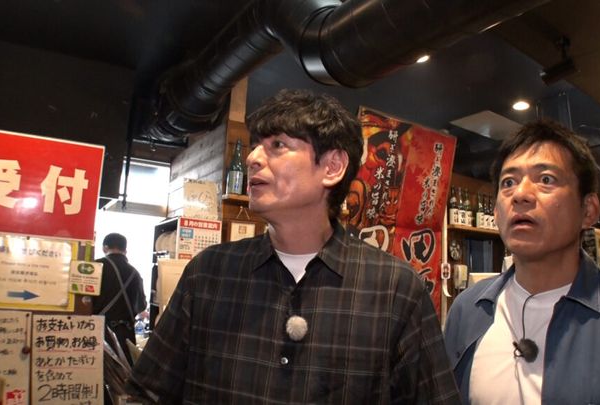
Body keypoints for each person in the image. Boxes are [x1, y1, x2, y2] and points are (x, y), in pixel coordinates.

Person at [128, 89, 461, 403]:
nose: (253, 158)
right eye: (255, 145)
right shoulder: (208, 274)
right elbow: (147, 393)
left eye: (277, 145)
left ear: (332, 167)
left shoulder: (396, 289)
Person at [444, 119, 600, 404]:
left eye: (546, 179)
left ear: (588, 210)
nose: (520, 194)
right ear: (496, 212)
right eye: (508, 183)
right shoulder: (467, 311)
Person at [94, 232, 147, 364]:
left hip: (98, 331)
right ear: (125, 250)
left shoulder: (95, 267)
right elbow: (141, 305)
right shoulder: (134, 273)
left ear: (105, 248)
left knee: (99, 370)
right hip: (125, 335)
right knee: (123, 372)